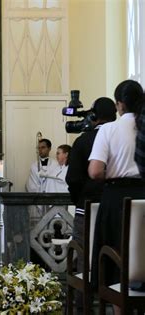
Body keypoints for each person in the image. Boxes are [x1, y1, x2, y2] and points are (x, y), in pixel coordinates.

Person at [88, 80, 145, 312]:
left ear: (118, 104)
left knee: (114, 264)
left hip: (117, 200)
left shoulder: (109, 130)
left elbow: (95, 171)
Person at [65, 96, 117, 313]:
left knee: (84, 260)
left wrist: (81, 199)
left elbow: (73, 179)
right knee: (115, 257)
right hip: (115, 207)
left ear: (93, 116)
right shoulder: (120, 137)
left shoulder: (84, 140)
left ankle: (81, 307)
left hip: (86, 208)